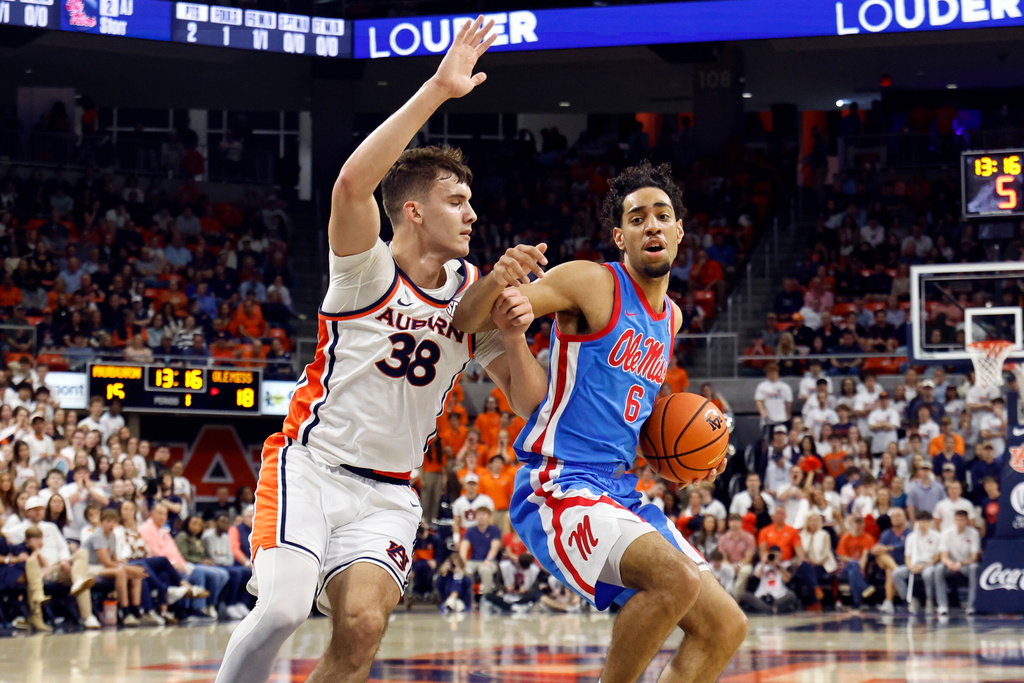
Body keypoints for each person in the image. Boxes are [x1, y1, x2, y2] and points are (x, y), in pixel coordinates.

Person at [216, 21, 520, 683]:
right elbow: (352, 186)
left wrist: (518, 330)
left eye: (472, 202)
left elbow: (526, 399)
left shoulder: (476, 294)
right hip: (313, 466)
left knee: (361, 632)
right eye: (456, 200)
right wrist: (438, 90)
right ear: (412, 211)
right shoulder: (368, 270)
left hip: (387, 492)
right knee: (281, 611)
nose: (472, 214)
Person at [452, 159, 744, 682]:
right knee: (674, 581)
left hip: (619, 488)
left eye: (662, 215)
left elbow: (643, 414)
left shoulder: (671, 318)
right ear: (620, 237)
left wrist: (701, 453)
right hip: (558, 479)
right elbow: (470, 321)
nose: (651, 224)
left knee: (726, 626)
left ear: (679, 231)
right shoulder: (590, 281)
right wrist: (505, 301)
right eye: (637, 218)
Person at [892, 510, 942, 613]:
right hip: (914, 565)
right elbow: (908, 557)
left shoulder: (937, 536)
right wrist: (910, 566)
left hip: (929, 565)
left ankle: (930, 600)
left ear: (930, 522)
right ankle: (909, 599)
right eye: (920, 521)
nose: (922, 524)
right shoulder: (911, 537)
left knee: (927, 574)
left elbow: (937, 557)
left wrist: (924, 567)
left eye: (925, 521)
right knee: (896, 574)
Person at [934, 509, 980, 616]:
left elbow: (974, 557)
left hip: (966, 565)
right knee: (939, 568)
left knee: (974, 568)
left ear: (967, 520)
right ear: (954, 520)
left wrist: (961, 563)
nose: (960, 522)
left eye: (963, 520)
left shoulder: (973, 533)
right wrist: (949, 563)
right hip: (950, 564)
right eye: (958, 520)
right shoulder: (946, 533)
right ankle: (942, 605)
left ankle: (971, 605)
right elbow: (943, 556)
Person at [458, 502, 502, 595]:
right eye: (478, 514)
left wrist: (489, 559)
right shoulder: (471, 530)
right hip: (474, 560)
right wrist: (463, 561)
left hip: (489, 561)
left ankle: (486, 596)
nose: (481, 517)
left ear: (489, 516)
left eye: (483, 514)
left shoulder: (494, 530)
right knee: (464, 571)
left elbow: (495, 546)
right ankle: (467, 597)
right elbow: (464, 546)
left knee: (485, 570)